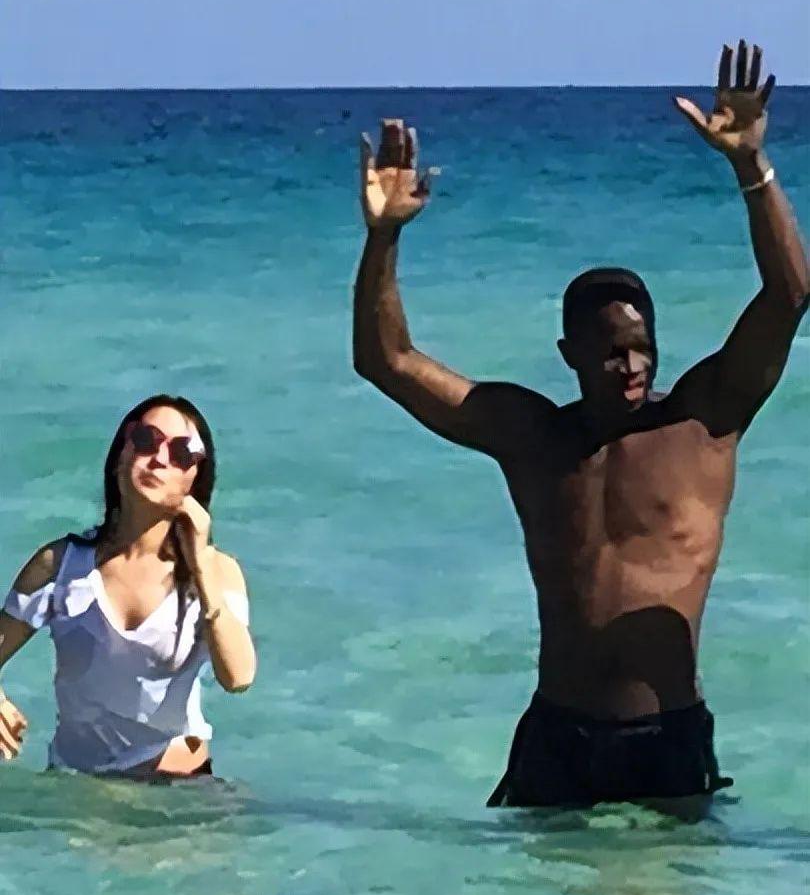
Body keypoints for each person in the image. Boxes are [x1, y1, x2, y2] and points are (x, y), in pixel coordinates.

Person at [352, 40, 808, 808]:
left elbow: (789, 295)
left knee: (676, 894)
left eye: (640, 348)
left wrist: (750, 167)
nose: (629, 366)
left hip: (665, 738)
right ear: (569, 355)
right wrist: (384, 236)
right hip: (557, 735)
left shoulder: (705, 419)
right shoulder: (535, 437)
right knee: (530, 892)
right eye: (607, 352)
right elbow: (385, 360)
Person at [0, 395, 257, 780]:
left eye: (182, 453)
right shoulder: (60, 566)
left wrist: (201, 564)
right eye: (146, 440)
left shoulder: (217, 571)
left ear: (195, 478)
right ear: (121, 455)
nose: (160, 459)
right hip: (80, 790)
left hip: (182, 790)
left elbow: (238, 678)